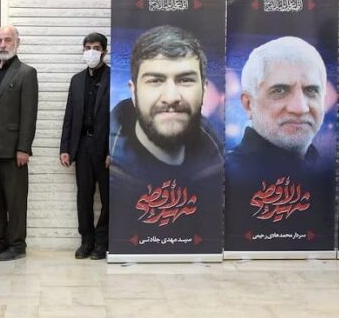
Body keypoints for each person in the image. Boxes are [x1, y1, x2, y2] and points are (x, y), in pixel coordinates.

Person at [110, 25, 223, 186]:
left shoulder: (219, 158)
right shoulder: (110, 170)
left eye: (185, 80)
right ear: (133, 93)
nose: (171, 98)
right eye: (155, 81)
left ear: (203, 90)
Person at [0, 25, 38, 261]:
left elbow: (29, 114)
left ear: (17, 42)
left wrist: (24, 147)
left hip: (13, 149)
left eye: (8, 40)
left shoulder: (26, 73)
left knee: (15, 200)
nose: (3, 44)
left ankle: (17, 245)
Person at [229, 36, 326, 169]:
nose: (300, 108)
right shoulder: (228, 172)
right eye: (280, 91)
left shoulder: (328, 170)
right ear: (248, 104)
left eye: (311, 90)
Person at [60, 32, 110, 260]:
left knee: (108, 198)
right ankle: (86, 241)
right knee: (84, 196)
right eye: (88, 47)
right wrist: (65, 148)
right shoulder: (77, 80)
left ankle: (102, 241)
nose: (91, 52)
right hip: (82, 146)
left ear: (104, 52)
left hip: (105, 148)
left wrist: (114, 149)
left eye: (96, 48)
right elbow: (69, 116)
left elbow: (120, 118)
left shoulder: (114, 78)